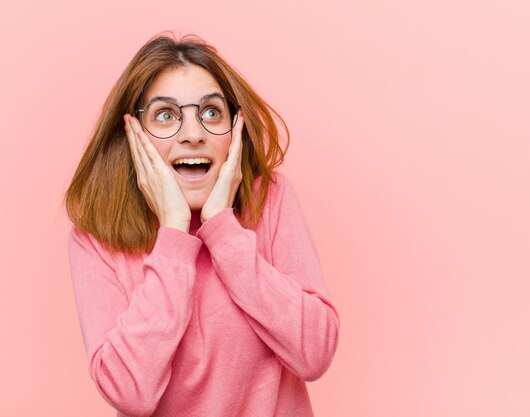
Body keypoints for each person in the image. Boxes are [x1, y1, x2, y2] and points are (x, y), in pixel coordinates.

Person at [64, 31, 340, 417]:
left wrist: (224, 231)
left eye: (211, 112)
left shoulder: (270, 198)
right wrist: (174, 232)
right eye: (166, 115)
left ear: (234, 128)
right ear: (132, 133)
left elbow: (314, 353)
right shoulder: (95, 237)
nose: (193, 135)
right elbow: (130, 392)